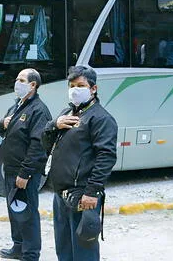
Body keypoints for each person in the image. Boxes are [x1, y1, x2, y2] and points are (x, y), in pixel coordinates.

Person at [41, 65, 117, 261]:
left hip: (83, 195)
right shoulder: (69, 112)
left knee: (84, 250)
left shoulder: (101, 118)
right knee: (64, 247)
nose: (75, 89)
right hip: (61, 193)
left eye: (80, 85)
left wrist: (92, 192)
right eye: (72, 85)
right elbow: (46, 144)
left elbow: (106, 157)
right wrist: (53, 125)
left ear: (93, 89)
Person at [0, 68, 51, 260]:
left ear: (33, 85)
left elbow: (38, 145)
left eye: (21, 80)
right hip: (11, 168)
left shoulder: (39, 110)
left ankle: (30, 253)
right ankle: (18, 246)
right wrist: (3, 123)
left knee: (27, 213)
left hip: (25, 172)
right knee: (15, 209)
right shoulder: (18, 105)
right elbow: (2, 129)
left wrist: (25, 173)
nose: (16, 83)